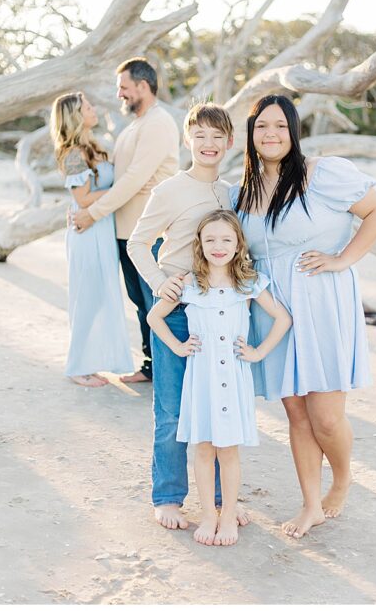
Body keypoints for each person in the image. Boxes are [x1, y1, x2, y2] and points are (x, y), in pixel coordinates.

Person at [233, 94, 376, 538]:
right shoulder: (243, 190)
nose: (271, 134)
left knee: (325, 415)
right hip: (273, 311)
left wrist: (343, 259)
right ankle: (309, 504)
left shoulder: (323, 174)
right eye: (262, 126)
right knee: (297, 414)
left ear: (294, 132)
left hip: (322, 301)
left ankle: (342, 479)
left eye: (281, 126)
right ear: (250, 133)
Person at [147, 210, 291, 546]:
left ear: (238, 244)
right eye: (210, 239)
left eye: (226, 239)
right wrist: (179, 347)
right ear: (199, 244)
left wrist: (257, 352)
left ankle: (227, 516)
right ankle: (208, 514)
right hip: (202, 377)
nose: (218, 245)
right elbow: (155, 317)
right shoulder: (189, 284)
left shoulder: (249, 282)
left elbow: (282, 318)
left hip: (233, 375)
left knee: (228, 450)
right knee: (203, 448)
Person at [127, 101, 238, 531]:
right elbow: (138, 244)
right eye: (200, 135)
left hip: (218, 314)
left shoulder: (230, 192)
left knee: (216, 406)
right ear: (186, 140)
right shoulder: (170, 189)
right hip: (176, 313)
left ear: (229, 142)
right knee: (172, 409)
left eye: (217, 136)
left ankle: (218, 500)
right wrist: (160, 283)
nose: (208, 144)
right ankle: (169, 495)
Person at [73, 57, 179, 383]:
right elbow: (124, 179)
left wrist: (92, 213)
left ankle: (166, 373)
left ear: (142, 86)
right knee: (140, 303)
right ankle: (151, 367)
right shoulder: (134, 126)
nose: (119, 93)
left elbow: (134, 179)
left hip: (150, 233)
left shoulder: (159, 123)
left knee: (157, 303)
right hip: (124, 231)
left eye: (124, 87)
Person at [51, 92, 135, 387]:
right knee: (87, 298)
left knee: (100, 296)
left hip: (102, 229)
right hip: (87, 232)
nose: (93, 109)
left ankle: (90, 361)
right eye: (87, 107)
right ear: (76, 115)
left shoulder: (93, 146)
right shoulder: (73, 153)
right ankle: (76, 366)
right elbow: (83, 199)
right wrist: (124, 189)